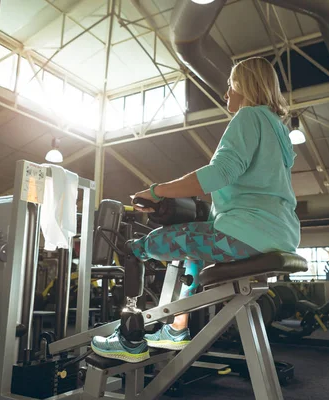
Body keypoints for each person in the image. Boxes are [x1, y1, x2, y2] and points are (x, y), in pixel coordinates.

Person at [91, 56, 301, 362]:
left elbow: (219, 174)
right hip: (281, 235)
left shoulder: (248, 117)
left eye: (230, 86)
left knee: (136, 248)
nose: (226, 94)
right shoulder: (278, 131)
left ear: (243, 85)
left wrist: (155, 191)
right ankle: (177, 328)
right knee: (193, 249)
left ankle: (128, 339)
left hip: (243, 236)